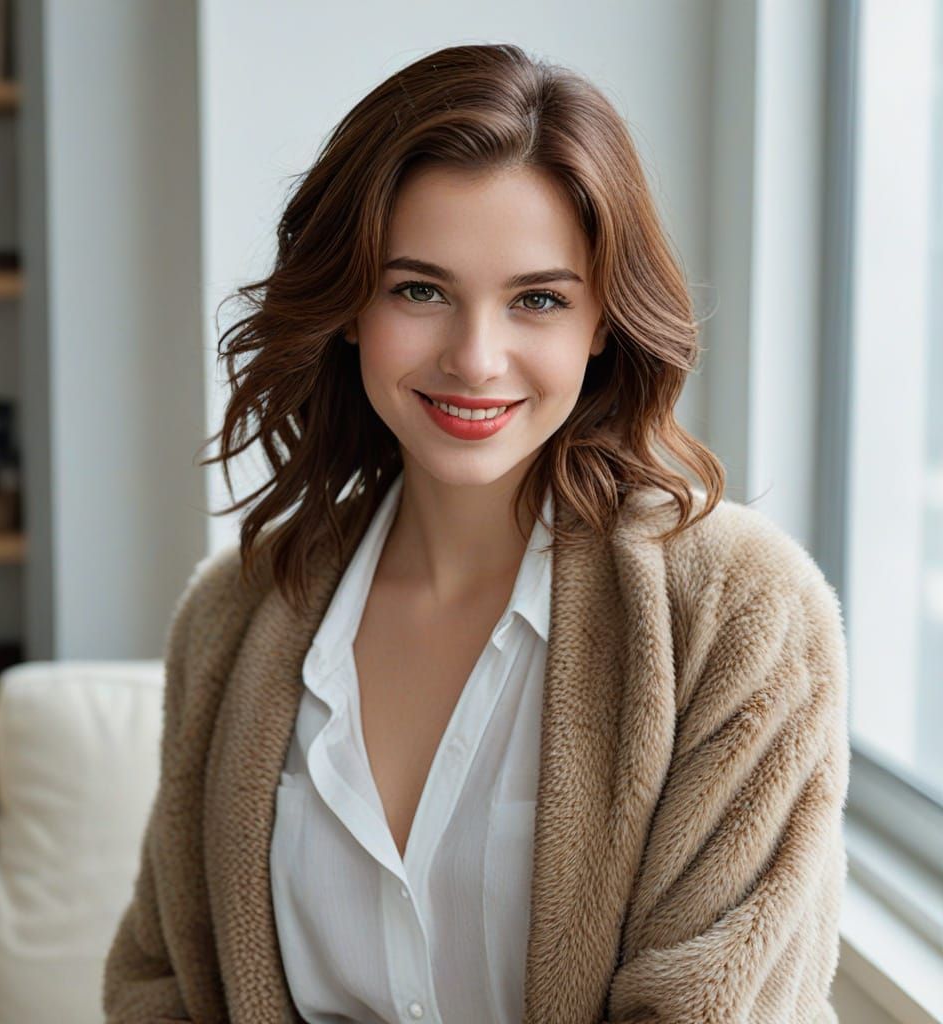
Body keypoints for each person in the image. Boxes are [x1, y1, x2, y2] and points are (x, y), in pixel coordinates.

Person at [103, 42, 849, 1024]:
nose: (475, 357)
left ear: (601, 325)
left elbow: (715, 1004)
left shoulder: (737, 611)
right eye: (419, 289)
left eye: (537, 298)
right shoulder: (232, 617)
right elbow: (160, 986)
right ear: (351, 308)